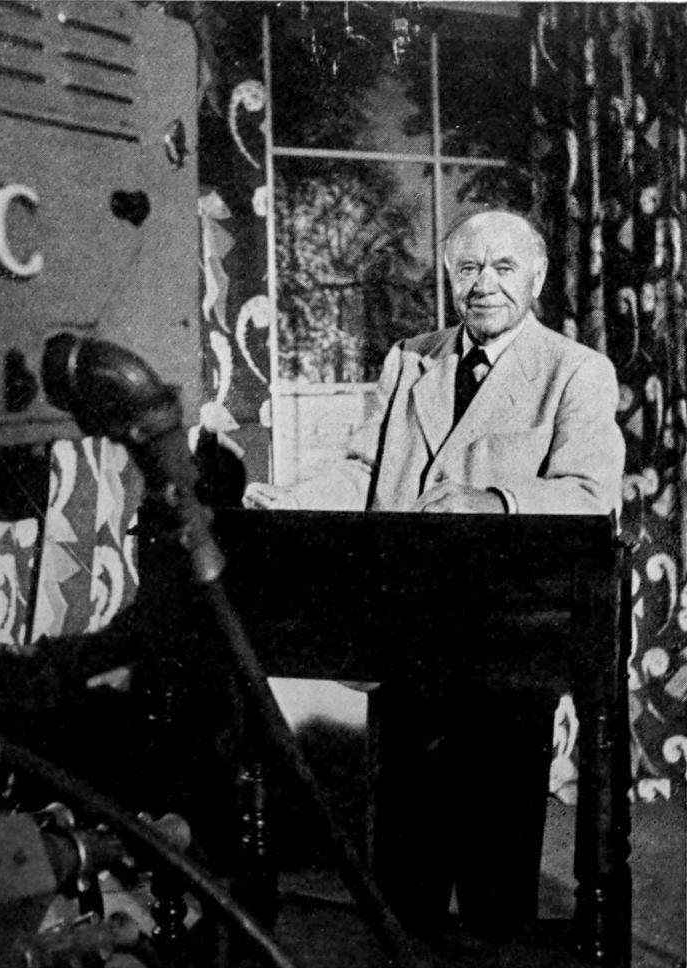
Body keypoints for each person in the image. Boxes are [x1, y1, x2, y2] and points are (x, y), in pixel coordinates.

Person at [242, 209, 626, 941]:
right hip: (404, 637)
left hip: (508, 648)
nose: (485, 285)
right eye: (468, 269)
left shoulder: (576, 370)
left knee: (495, 875)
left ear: (537, 277)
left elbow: (589, 495)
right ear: (450, 278)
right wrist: (289, 501)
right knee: (403, 873)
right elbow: (362, 468)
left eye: (503, 268)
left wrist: (492, 501)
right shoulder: (409, 359)